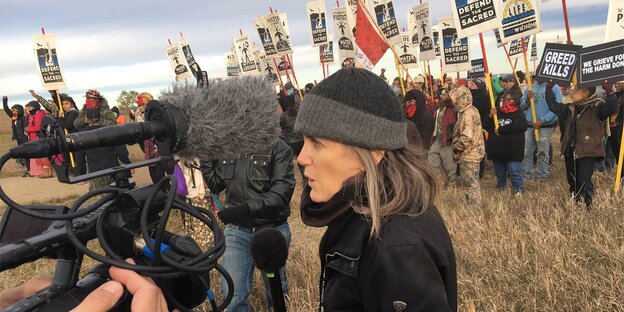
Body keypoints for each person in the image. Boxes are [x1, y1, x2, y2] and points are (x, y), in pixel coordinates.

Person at [294, 67, 457, 311]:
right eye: (304, 141)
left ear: (372, 152)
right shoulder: (367, 212)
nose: (301, 157)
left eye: (317, 143)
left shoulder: (396, 250)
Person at [201, 139, 295, 312]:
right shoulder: (229, 146)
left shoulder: (279, 148)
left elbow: (281, 194)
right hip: (237, 230)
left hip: (271, 230)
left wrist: (242, 210)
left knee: (276, 292)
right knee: (232, 293)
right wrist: (205, 154)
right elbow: (215, 184)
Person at [546, 81, 618, 208]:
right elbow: (553, 105)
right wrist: (549, 89)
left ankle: (589, 206)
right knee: (572, 179)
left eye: (576, 90)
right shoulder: (570, 108)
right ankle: (576, 202)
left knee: (584, 180)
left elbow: (612, 107)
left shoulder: (597, 107)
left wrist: (610, 92)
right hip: (571, 149)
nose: (572, 92)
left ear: (586, 93)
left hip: (587, 150)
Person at [485, 87, 528, 194]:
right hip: (498, 149)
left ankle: (518, 190)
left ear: (516, 100)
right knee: (499, 172)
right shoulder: (497, 113)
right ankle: (500, 188)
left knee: (514, 171)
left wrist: (501, 129)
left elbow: (520, 126)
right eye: (504, 99)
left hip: (513, 149)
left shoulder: (518, 112)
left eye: (509, 99)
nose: (506, 102)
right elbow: (486, 126)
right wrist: (490, 116)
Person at [521, 78, 561, 181]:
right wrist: (527, 100)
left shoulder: (554, 88)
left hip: (544, 126)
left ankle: (542, 177)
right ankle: (526, 176)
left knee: (542, 152)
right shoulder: (530, 88)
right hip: (529, 126)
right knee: (526, 152)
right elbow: (522, 106)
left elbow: (557, 108)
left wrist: (542, 120)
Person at [451, 86, 485, 207]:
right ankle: (471, 209)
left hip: (469, 154)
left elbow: (467, 137)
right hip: (472, 153)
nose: (453, 102)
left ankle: (475, 213)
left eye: (455, 99)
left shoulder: (467, 114)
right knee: (470, 184)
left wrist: (456, 147)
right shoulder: (471, 110)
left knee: (471, 185)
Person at [429, 89, 458, 184]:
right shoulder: (437, 109)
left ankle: (452, 183)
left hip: (448, 139)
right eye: (442, 95)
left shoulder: (452, 108)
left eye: (446, 94)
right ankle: (438, 179)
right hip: (437, 139)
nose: (444, 97)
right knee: (432, 157)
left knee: (449, 163)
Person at [280, 95, 306, 186]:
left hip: (290, 143)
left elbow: (282, 127)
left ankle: (289, 181)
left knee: (288, 163)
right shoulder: (300, 112)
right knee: (302, 163)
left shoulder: (283, 116)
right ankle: (305, 180)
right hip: (301, 141)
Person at [25, 101, 54, 178]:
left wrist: (29, 129)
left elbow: (39, 127)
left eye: (30, 107)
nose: (29, 109)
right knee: (39, 154)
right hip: (34, 137)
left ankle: (48, 172)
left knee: (43, 154)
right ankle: (41, 171)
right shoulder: (33, 114)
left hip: (39, 136)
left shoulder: (40, 113)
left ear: (34, 107)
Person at [3, 100, 29, 176]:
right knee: (20, 150)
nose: (13, 111)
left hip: (24, 137)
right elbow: (6, 110)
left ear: (19, 110)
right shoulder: (14, 117)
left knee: (25, 151)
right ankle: (21, 162)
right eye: (13, 110)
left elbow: (25, 127)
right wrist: (5, 101)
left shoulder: (23, 118)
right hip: (18, 137)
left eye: (15, 110)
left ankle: (23, 163)